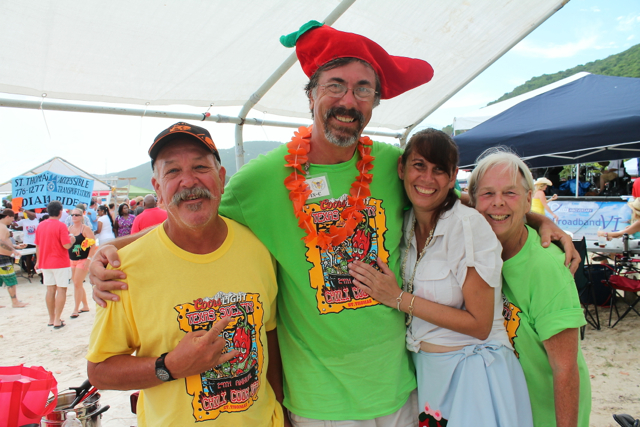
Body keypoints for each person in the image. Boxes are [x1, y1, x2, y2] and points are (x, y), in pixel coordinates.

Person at [90, 22, 578, 425]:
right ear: (311, 95)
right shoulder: (259, 182)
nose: (349, 100)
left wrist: (535, 219)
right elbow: (194, 214)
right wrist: (110, 250)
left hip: (400, 387)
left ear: (375, 102)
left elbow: (456, 197)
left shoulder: (393, 163)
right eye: (335, 86)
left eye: (363, 89)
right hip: (317, 401)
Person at [86, 123, 283, 426]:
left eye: (200, 167)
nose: (189, 181)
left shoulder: (259, 249)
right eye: (173, 171)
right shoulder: (123, 269)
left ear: (220, 178)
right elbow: (99, 370)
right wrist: (169, 367)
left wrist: (280, 412)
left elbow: (269, 338)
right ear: (157, 188)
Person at [348, 129, 533, 425]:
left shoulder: (467, 226)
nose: (427, 178)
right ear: (402, 168)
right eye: (419, 165)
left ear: (452, 177)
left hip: (474, 377)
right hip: (430, 374)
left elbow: (480, 324)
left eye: (439, 170)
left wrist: (396, 298)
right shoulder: (405, 221)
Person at [468, 148, 591, 427]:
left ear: (527, 201)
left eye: (510, 193)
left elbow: (566, 369)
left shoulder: (545, 267)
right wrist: (541, 218)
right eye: (487, 194)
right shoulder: (484, 250)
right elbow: (438, 193)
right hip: (505, 411)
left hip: (546, 417)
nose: (497, 203)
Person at [35, 201, 74, 328]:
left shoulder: (40, 225)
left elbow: (38, 245)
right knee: (61, 289)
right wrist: (72, 239)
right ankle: (57, 319)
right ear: (60, 211)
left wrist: (38, 261)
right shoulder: (61, 226)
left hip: (45, 262)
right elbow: (66, 245)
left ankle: (51, 318)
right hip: (60, 262)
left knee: (50, 290)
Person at [68, 208, 96, 318]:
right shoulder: (69, 228)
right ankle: (85, 305)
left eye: (76, 215)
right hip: (72, 259)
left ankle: (75, 309)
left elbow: (93, 244)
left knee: (76, 283)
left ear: (81, 216)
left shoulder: (85, 228)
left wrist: (89, 259)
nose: (74, 217)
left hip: (83, 259)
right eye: (72, 215)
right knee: (77, 283)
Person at [0, 209, 29, 308]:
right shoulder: (2, 227)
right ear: (8, 216)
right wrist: (14, 250)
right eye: (12, 218)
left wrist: (16, 246)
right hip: (3, 257)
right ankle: (15, 301)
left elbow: (4, 241)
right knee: (10, 279)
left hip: (2, 255)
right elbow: (1, 242)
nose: (13, 221)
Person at [15, 209, 39, 277]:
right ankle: (29, 272)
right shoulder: (24, 221)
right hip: (27, 242)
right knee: (28, 258)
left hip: (36, 242)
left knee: (37, 257)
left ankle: (38, 271)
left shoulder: (37, 220)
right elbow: (15, 224)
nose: (29, 215)